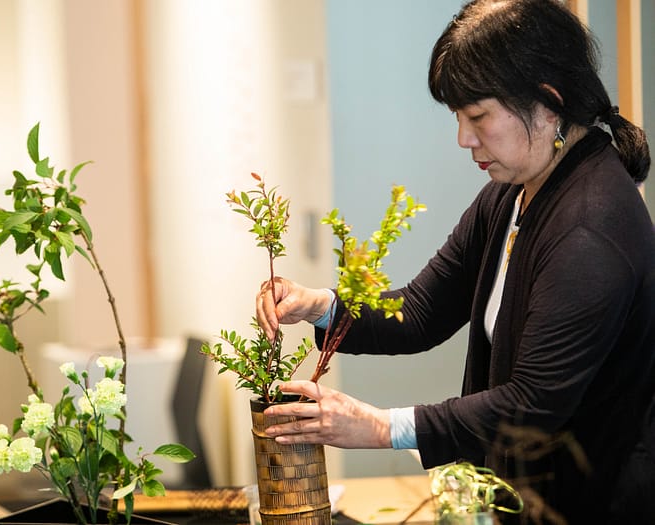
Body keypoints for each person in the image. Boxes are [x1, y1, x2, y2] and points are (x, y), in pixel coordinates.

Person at [254, 1, 654, 523]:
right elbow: (422, 311)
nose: (464, 139)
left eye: (477, 117)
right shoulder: (513, 193)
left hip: (593, 505)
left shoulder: (590, 227)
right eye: (458, 118)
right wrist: (321, 306)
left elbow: (531, 404)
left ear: (549, 103)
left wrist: (381, 427)